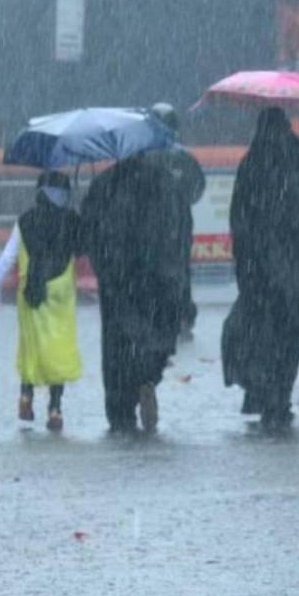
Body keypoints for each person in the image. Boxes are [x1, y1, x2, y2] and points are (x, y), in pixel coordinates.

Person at [222, 107, 299, 433]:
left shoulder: (251, 164)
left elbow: (238, 218)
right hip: (293, 272)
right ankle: (280, 397)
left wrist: (247, 262)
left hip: (258, 271)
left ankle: (263, 392)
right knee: (289, 335)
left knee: (260, 332)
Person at [81, 154, 187, 434]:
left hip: (117, 282)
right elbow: (182, 231)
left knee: (117, 348)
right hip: (158, 280)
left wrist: (105, 268)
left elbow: (88, 233)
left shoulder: (104, 185)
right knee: (154, 339)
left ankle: (120, 410)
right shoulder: (166, 183)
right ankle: (147, 378)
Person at [0, 171, 83, 432]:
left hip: (32, 290)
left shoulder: (26, 220)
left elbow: (8, 257)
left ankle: (26, 395)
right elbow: (82, 250)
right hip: (60, 293)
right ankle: (56, 409)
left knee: (31, 347)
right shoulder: (72, 220)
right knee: (58, 348)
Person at [145, 102, 205, 341]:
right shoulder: (183, 158)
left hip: (157, 228)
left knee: (160, 272)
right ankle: (180, 316)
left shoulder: (145, 157)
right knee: (179, 273)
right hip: (176, 227)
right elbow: (197, 190)